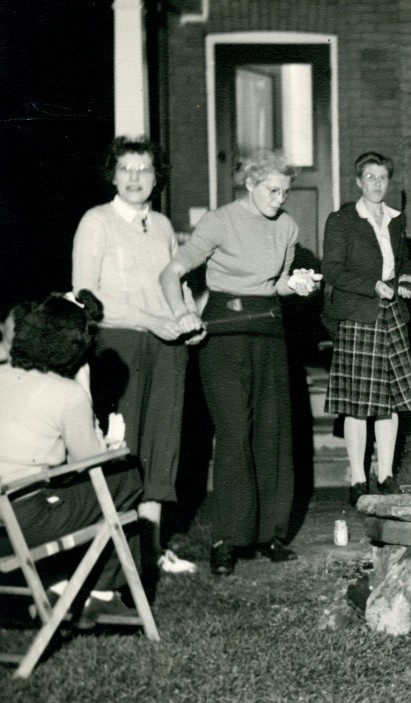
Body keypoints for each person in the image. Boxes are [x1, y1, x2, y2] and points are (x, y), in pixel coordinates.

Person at [160, 150, 318, 576]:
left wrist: (297, 284)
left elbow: (277, 283)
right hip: (222, 337)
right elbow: (170, 272)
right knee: (234, 434)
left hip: (269, 333)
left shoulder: (287, 226)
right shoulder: (220, 220)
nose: (280, 199)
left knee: (272, 433)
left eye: (285, 192)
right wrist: (183, 315)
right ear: (250, 183)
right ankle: (227, 538)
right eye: (272, 190)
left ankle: (269, 533)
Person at [72, 136, 196, 576]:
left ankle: (151, 551)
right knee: (124, 445)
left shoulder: (161, 224)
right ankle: (112, 554)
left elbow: (173, 283)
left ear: (156, 177)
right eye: (126, 169)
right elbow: (87, 295)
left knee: (162, 446)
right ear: (113, 174)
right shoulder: (96, 221)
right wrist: (150, 320)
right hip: (120, 346)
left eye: (144, 170)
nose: (135, 178)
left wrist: (187, 316)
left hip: (166, 346)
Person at [0, 291, 144, 626]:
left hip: (5, 524)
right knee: (125, 478)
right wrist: (83, 383)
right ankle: (102, 594)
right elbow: (90, 461)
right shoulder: (66, 394)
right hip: (23, 524)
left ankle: (60, 585)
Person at [321, 151, 411, 500]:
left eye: (382, 178)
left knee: (388, 402)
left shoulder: (396, 219)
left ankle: (387, 474)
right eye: (370, 178)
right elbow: (332, 270)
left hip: (391, 314)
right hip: (359, 314)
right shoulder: (342, 219)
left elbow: (403, 259)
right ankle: (358, 480)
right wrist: (371, 285)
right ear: (359, 181)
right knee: (358, 404)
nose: (377, 184)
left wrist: (406, 276)